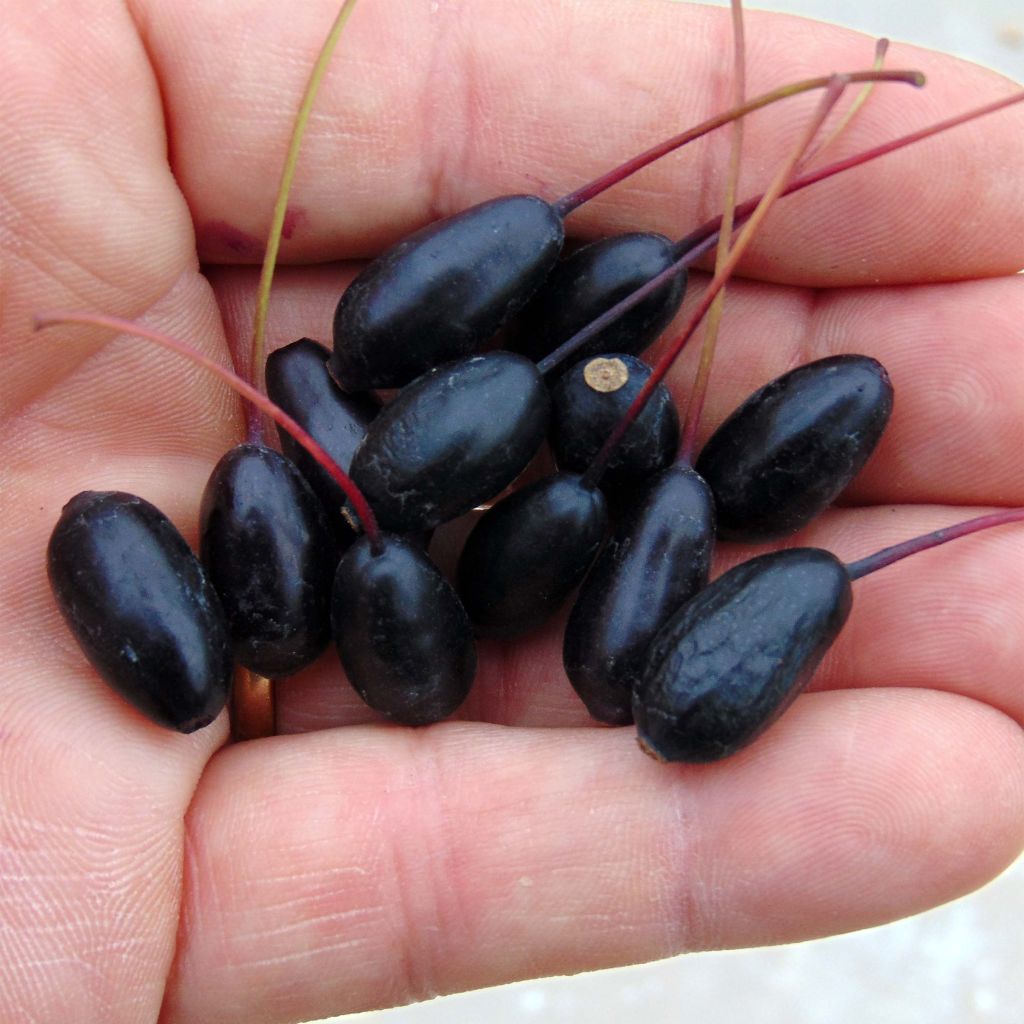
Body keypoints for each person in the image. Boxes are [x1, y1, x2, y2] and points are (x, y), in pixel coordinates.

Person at [1, 1, 1022, 1021]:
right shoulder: (455, 448)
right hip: (475, 479)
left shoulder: (592, 461)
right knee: (469, 494)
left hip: (525, 481)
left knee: (557, 478)